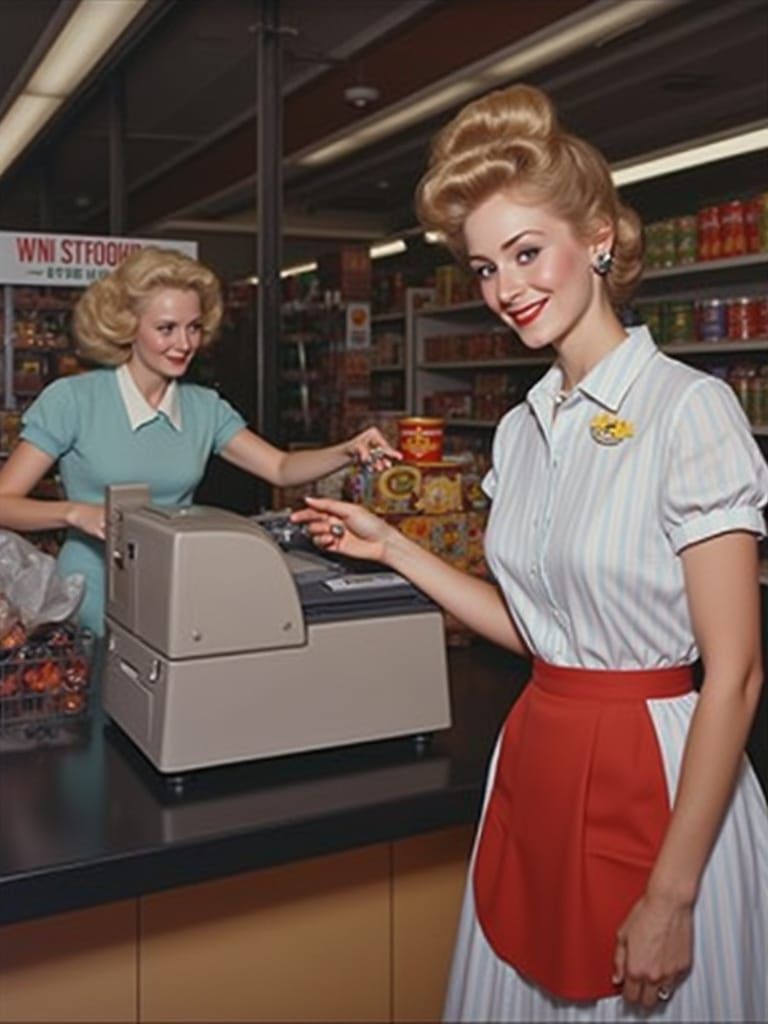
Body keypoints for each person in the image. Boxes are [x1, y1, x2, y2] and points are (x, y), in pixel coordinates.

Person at [291, 84, 768, 1022]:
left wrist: (672, 895)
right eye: (483, 268)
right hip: (538, 764)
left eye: (526, 252)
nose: (506, 289)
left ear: (598, 239)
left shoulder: (690, 411)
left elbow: (738, 675)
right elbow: (537, 628)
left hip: (666, 784)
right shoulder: (520, 429)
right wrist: (394, 550)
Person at [0, 246, 399, 637]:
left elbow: (280, 468)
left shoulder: (204, 407)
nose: (184, 343)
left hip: (176, 592)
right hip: (88, 597)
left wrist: (347, 450)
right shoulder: (73, 400)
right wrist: (74, 513)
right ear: (127, 326)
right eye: (166, 328)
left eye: (193, 327)